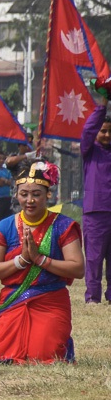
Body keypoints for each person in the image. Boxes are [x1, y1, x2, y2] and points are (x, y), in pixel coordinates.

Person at [0, 161, 83, 364]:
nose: (30, 200)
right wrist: (22, 260)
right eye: (24, 194)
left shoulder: (63, 226)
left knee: (44, 355)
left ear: (48, 194)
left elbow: (78, 268)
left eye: (36, 194)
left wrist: (41, 259)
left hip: (50, 300)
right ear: (16, 194)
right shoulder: (6, 226)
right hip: (14, 299)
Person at [80, 100, 111, 303]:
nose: (107, 135)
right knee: (93, 258)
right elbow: (88, 130)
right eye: (103, 131)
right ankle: (93, 297)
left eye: (110, 131)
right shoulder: (89, 150)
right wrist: (102, 106)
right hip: (95, 212)